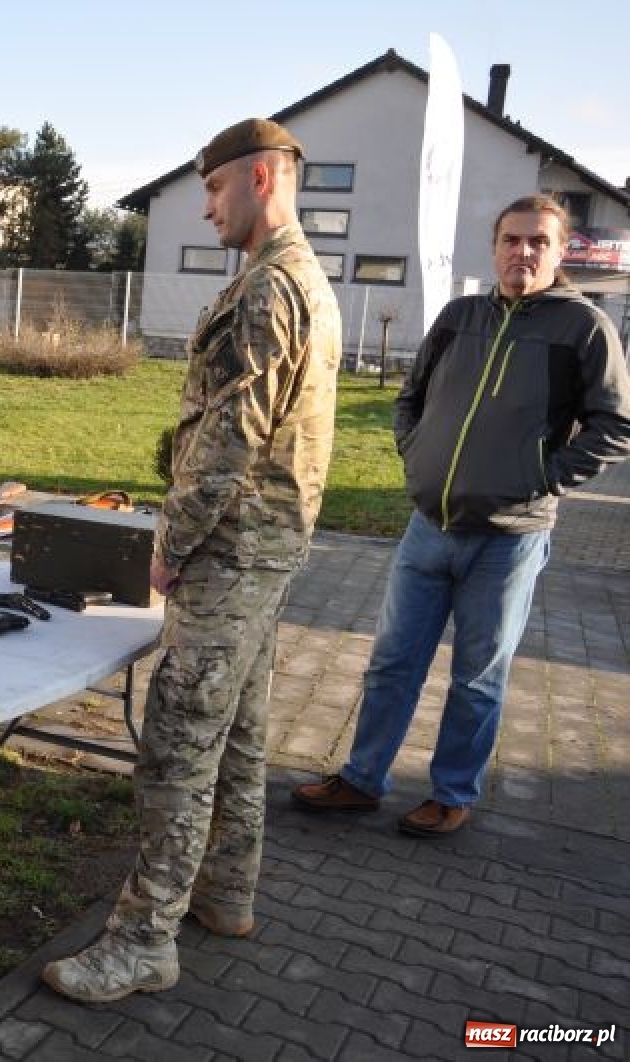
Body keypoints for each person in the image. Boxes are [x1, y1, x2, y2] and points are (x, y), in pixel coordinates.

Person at [42, 118, 342, 1004]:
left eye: (212, 188)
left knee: (176, 748)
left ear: (260, 177)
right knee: (241, 738)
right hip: (271, 548)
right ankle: (227, 895)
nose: (205, 206)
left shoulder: (266, 290)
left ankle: (143, 942)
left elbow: (230, 435)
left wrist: (169, 544)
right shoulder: (306, 281)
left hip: (231, 551)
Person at [292, 195, 630, 836]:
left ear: (560, 253)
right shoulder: (460, 315)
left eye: (537, 242)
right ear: (495, 245)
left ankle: (451, 792)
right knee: (392, 662)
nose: (522, 252)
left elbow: (616, 426)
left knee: (477, 678)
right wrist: (417, 456)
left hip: (510, 538)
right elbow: (409, 399)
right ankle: (361, 779)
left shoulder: (583, 329)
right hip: (428, 527)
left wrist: (542, 478)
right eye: (511, 239)